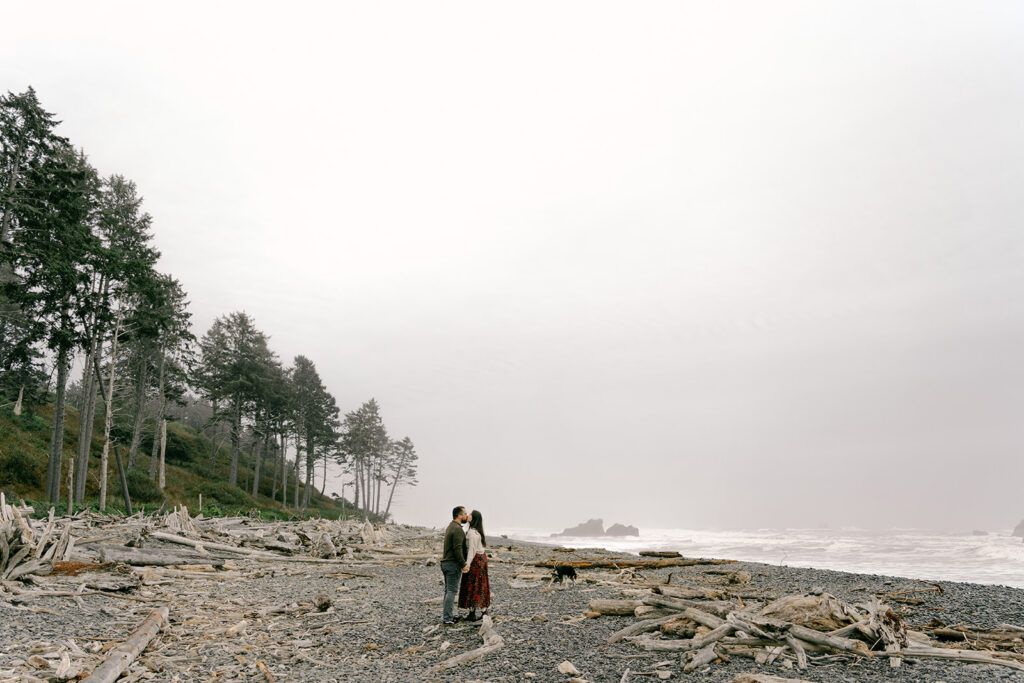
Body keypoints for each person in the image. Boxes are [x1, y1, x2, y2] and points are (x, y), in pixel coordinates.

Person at [458, 509, 491, 621]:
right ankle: (480, 611)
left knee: (473, 585)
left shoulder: (472, 533)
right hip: (481, 559)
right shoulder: (476, 531)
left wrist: (467, 564)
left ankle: (477, 612)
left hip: (476, 560)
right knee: (479, 584)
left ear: (474, 519)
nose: (468, 515)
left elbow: (471, 550)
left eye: (470, 514)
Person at [440, 506, 469, 625]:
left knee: (448, 591)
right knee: (451, 591)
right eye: (465, 514)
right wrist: (463, 564)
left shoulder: (451, 526)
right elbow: (458, 549)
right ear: (459, 515)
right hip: (452, 564)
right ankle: (447, 618)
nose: (466, 516)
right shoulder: (457, 529)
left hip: (446, 563)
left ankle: (448, 615)